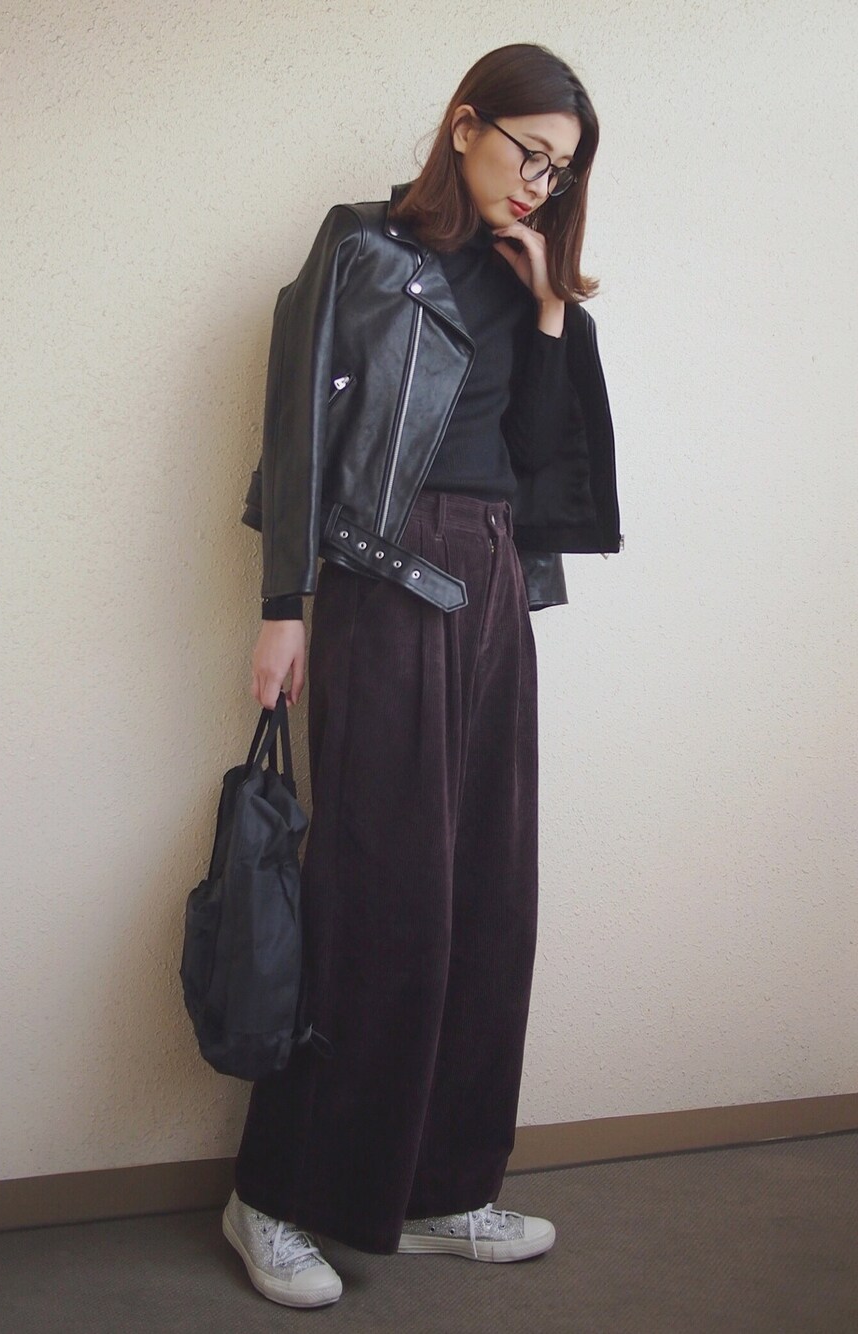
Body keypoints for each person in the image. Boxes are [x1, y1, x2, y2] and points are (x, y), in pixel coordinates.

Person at [224, 42, 621, 1309]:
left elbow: (545, 464)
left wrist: (551, 309)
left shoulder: (524, 277)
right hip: (385, 582)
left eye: (559, 173)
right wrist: (283, 606)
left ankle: (444, 1185)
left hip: (495, 583)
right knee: (377, 894)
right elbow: (297, 428)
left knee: (489, 895)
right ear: (464, 125)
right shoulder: (360, 248)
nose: (537, 186)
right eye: (528, 154)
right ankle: (273, 1195)